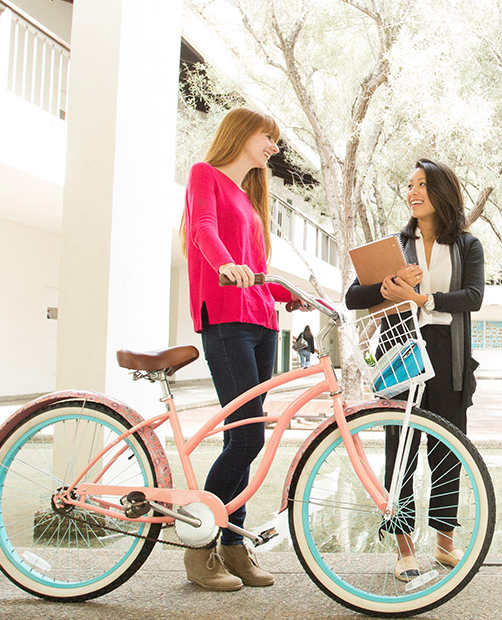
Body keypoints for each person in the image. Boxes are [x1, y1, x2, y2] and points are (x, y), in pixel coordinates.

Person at [181, 107, 306, 591]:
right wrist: (223, 264)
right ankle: (200, 546)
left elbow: (256, 271)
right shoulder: (204, 175)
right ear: (241, 133)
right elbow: (203, 232)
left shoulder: (252, 200)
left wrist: (288, 293)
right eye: (267, 136)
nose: (274, 147)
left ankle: (234, 547)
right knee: (246, 438)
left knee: (249, 437)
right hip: (226, 319)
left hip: (261, 322)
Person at [345, 159, 484, 582]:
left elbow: (473, 297)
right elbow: (355, 297)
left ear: (441, 191)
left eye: (422, 184)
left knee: (447, 452)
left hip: (446, 354)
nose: (413, 192)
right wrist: (389, 287)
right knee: (399, 450)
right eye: (409, 185)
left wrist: (423, 299)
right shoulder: (393, 245)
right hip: (401, 349)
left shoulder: (467, 245)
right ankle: (404, 546)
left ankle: (444, 543)